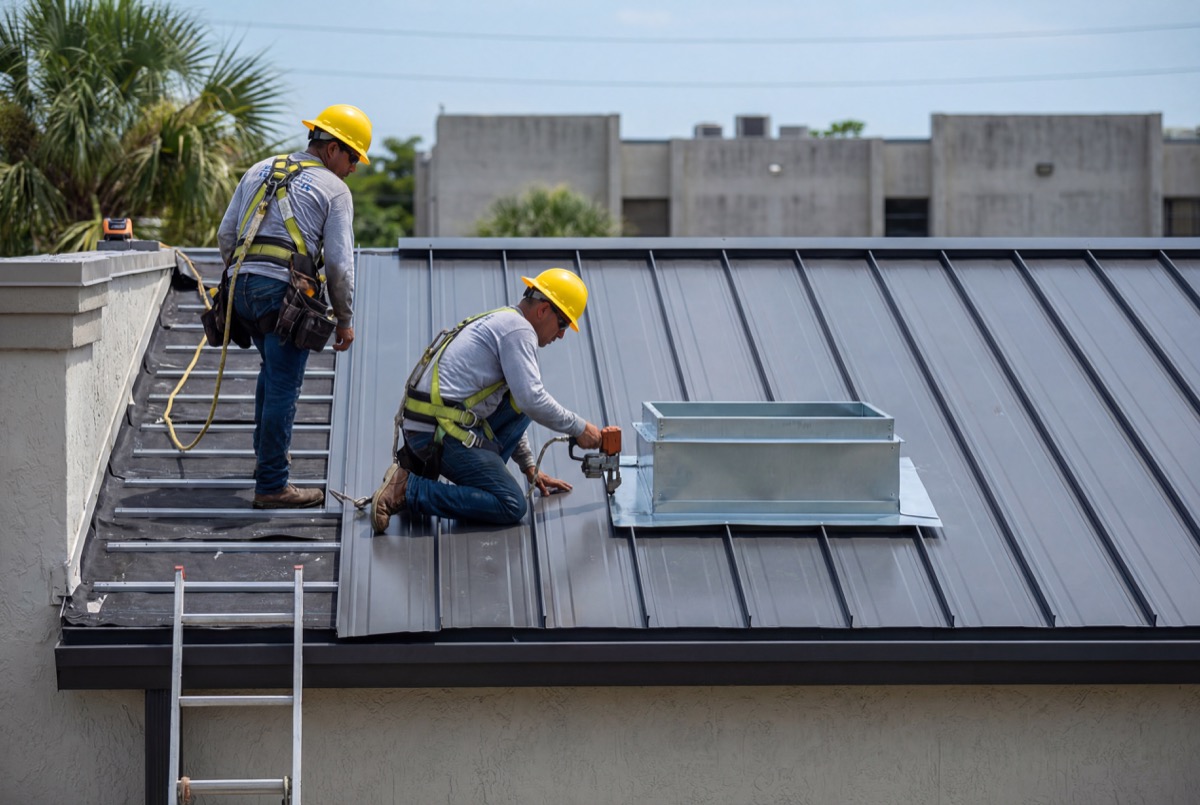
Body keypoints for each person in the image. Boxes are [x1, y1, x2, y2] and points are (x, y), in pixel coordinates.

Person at [217, 104, 372, 508]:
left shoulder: (259, 168)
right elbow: (339, 264)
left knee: (271, 372)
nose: (353, 168)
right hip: (280, 291)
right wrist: (344, 319)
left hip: (241, 286)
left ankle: (265, 462)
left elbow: (226, 234)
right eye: (353, 157)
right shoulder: (334, 190)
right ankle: (271, 485)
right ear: (333, 148)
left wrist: (243, 278)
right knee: (285, 384)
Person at [371, 268, 603, 531]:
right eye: (563, 324)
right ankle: (407, 489)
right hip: (437, 433)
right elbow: (532, 399)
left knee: (523, 401)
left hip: (436, 424)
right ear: (543, 310)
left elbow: (519, 403)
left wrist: (529, 467)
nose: (561, 335)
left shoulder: (504, 320)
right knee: (512, 504)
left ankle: (457, 483)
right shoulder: (518, 331)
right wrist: (580, 427)